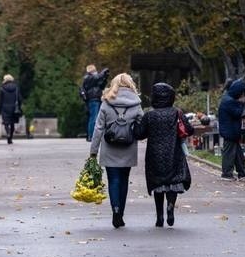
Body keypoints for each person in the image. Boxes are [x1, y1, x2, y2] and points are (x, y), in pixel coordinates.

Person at [89, 73, 143, 228]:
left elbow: (98, 128)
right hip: (128, 147)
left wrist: (93, 151)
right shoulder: (136, 103)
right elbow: (142, 124)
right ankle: (121, 214)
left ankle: (115, 211)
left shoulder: (107, 102)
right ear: (130, 84)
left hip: (109, 148)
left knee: (113, 180)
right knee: (124, 180)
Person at [136, 83, 193, 227]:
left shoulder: (149, 115)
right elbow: (189, 129)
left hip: (155, 154)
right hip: (174, 152)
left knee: (158, 184)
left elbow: (139, 134)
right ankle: (171, 207)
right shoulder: (176, 112)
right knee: (173, 182)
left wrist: (136, 124)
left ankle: (159, 216)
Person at [218, 78, 245, 180]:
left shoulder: (227, 99)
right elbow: (237, 113)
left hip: (231, 131)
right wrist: (242, 103)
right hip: (230, 131)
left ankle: (242, 171)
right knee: (229, 154)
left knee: (238, 154)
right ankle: (227, 173)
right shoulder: (230, 101)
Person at [80, 64, 110, 141]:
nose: (95, 72)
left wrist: (105, 78)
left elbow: (101, 86)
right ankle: (91, 135)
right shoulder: (88, 77)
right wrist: (103, 73)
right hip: (93, 99)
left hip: (97, 99)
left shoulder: (93, 79)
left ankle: (93, 135)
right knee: (94, 118)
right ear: (91, 71)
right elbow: (96, 77)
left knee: (96, 118)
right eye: (94, 71)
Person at [0, 74, 22, 144]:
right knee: (12, 123)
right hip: (14, 108)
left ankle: (7, 132)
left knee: (6, 123)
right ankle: (10, 138)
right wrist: (19, 107)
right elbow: (19, 99)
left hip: (5, 108)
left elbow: (0, 100)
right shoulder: (16, 87)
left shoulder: (2, 88)